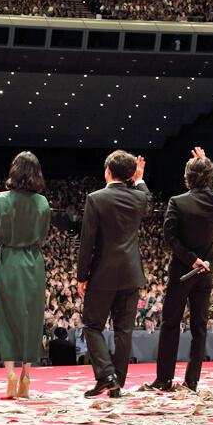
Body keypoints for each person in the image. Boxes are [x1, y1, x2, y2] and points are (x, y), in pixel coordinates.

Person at [146, 146, 213, 392]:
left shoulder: (178, 202)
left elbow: (170, 238)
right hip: (206, 270)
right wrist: (204, 161)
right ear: (210, 176)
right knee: (199, 326)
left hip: (183, 270)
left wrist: (191, 259)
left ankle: (164, 379)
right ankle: (192, 381)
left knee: (170, 324)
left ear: (187, 177)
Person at [77, 150, 151, 398]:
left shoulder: (96, 199)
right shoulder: (139, 198)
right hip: (131, 273)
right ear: (130, 175)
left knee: (92, 325)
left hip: (102, 273)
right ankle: (116, 382)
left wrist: (81, 276)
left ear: (107, 171)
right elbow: (145, 196)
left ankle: (107, 376)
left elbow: (87, 242)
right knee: (123, 331)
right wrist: (139, 179)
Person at [0, 151, 51, 399]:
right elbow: (43, 235)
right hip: (33, 263)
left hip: (8, 261)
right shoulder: (43, 203)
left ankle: (11, 375)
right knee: (31, 319)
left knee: (5, 319)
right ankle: (27, 375)